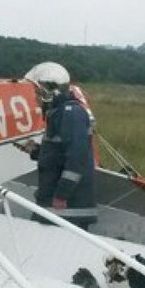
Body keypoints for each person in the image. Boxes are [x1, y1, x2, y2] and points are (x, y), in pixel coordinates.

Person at [21, 62, 97, 230]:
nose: (36, 98)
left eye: (38, 93)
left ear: (49, 92)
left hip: (66, 208)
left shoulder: (71, 113)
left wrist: (62, 195)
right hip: (55, 204)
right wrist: (37, 152)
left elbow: (77, 158)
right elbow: (60, 155)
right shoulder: (61, 112)